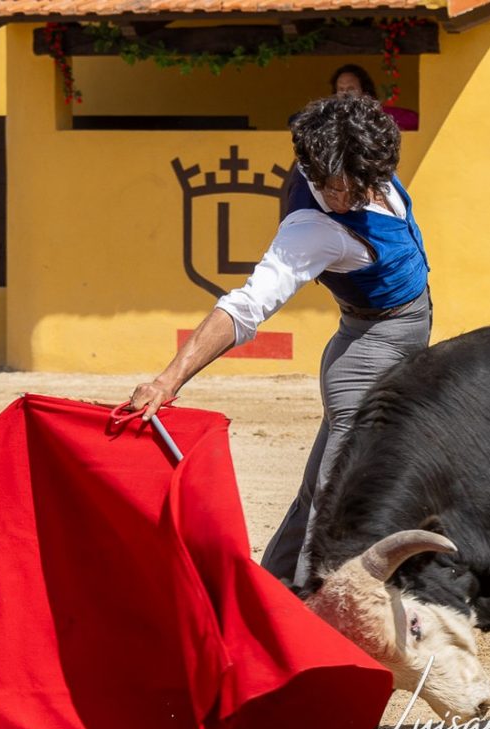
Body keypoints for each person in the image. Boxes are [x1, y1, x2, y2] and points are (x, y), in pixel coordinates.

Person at [128, 94, 433, 588]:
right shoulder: (310, 229)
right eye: (339, 187)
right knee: (341, 504)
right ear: (313, 168)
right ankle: (309, 620)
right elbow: (245, 306)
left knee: (320, 491)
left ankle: (269, 594)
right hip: (368, 357)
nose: (352, 196)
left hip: (388, 343)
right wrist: (168, 380)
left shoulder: (358, 157)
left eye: (364, 183)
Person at [330, 62, 419, 131]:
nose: (345, 93)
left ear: (365, 92)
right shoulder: (331, 119)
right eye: (341, 89)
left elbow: (416, 121)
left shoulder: (380, 115)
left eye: (351, 89)